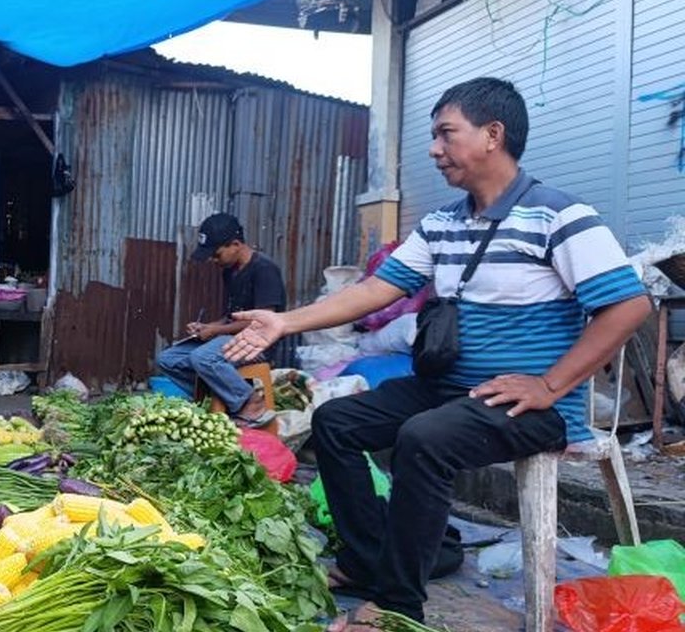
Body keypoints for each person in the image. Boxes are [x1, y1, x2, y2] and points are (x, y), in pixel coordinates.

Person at [223, 77, 651, 630]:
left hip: (533, 406)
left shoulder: (560, 217)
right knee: (335, 421)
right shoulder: (443, 223)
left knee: (423, 439)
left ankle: (398, 605)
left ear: (492, 135)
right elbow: (378, 290)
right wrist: (285, 319)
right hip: (452, 388)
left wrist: (548, 385)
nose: (434, 148)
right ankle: (366, 561)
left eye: (446, 134)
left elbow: (627, 306)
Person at [155, 212, 289, 426]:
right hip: (233, 338)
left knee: (203, 357)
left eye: (216, 254)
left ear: (235, 244)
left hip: (258, 343)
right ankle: (217, 395)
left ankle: (250, 403)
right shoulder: (231, 271)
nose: (213, 260)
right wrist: (208, 326)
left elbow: (264, 321)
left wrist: (215, 332)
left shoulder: (264, 269)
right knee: (167, 359)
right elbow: (231, 317)